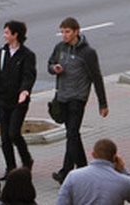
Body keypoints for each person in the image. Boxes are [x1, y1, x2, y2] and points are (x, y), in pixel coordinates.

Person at [48, 17, 109, 184]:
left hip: (78, 97)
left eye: (67, 31)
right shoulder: (59, 48)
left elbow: (96, 77)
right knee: (73, 134)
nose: (64, 35)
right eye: (62, 32)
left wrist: (102, 103)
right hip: (62, 97)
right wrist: (55, 68)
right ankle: (78, 168)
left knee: (72, 133)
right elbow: (50, 64)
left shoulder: (87, 53)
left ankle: (70, 171)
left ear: (76, 31)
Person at [0, 20, 36, 178]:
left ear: (15, 35)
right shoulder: (1, 53)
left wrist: (25, 91)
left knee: (14, 133)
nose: (4, 35)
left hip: (19, 101)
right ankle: (10, 168)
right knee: (4, 137)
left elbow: (29, 76)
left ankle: (27, 160)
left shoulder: (27, 55)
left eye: (7, 33)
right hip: (3, 100)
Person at [57, 138, 130, 205]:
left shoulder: (73, 176)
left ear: (93, 154)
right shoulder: (123, 181)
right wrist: (123, 171)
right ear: (115, 157)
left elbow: (61, 202)